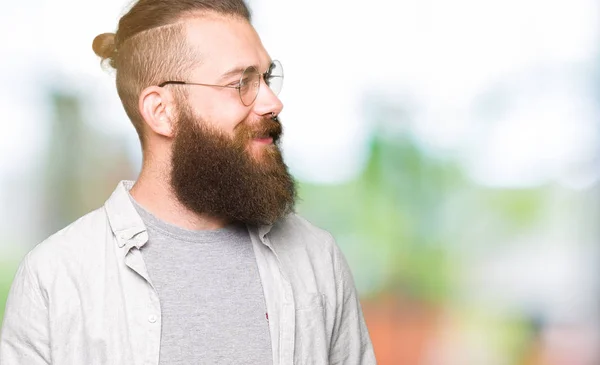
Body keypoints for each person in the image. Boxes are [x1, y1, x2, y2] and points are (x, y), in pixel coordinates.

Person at [0, 0, 375, 364]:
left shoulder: (317, 259)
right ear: (162, 112)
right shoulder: (54, 277)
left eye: (265, 76)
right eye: (241, 82)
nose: (272, 102)